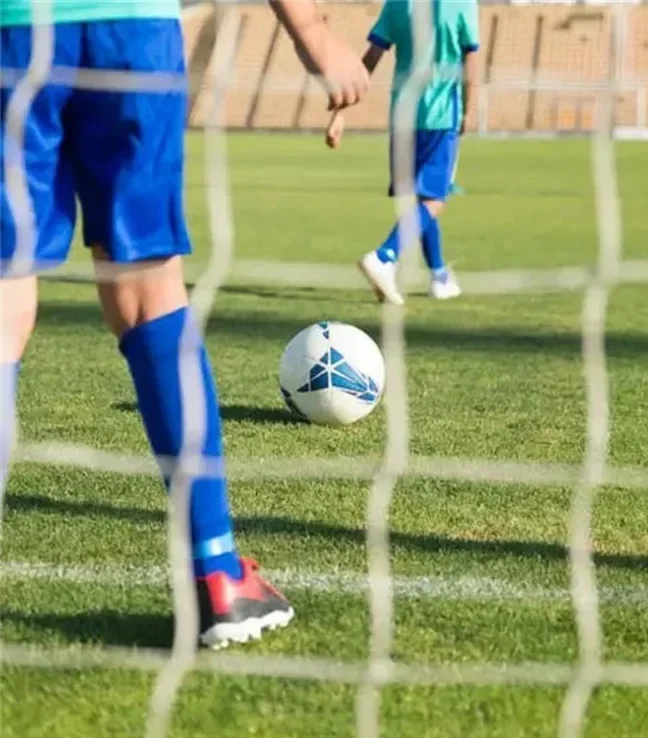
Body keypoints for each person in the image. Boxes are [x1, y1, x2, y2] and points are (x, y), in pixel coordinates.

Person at [0, 0, 369, 648]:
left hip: (13, 31)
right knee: (148, 292)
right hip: (132, 30)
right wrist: (312, 36)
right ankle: (217, 575)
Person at [325, 0, 479, 304]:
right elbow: (470, 57)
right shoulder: (462, 4)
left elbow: (369, 60)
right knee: (434, 199)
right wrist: (469, 110)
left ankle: (439, 276)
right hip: (440, 116)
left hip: (403, 116)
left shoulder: (397, 3)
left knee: (420, 199)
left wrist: (340, 112)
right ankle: (385, 256)